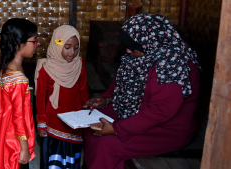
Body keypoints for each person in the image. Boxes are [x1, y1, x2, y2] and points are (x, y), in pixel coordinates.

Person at [83, 14, 201, 169]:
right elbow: (122, 83)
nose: (127, 50)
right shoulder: (146, 52)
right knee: (90, 123)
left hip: (165, 128)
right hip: (136, 110)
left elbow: (160, 111)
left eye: (132, 47)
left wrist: (118, 129)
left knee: (104, 143)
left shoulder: (172, 66)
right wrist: (106, 99)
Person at [0, 18, 38, 169]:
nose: (36, 45)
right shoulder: (17, 79)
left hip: (4, 132)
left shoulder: (7, 68)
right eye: (34, 41)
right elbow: (19, 117)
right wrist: (25, 148)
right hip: (14, 140)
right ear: (20, 44)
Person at [34, 25, 89, 169]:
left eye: (76, 47)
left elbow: (83, 91)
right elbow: (40, 98)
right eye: (67, 47)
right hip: (53, 121)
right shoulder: (46, 67)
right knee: (54, 160)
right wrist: (41, 122)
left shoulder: (79, 64)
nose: (72, 52)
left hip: (74, 121)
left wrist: (86, 115)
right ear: (57, 45)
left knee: (72, 158)